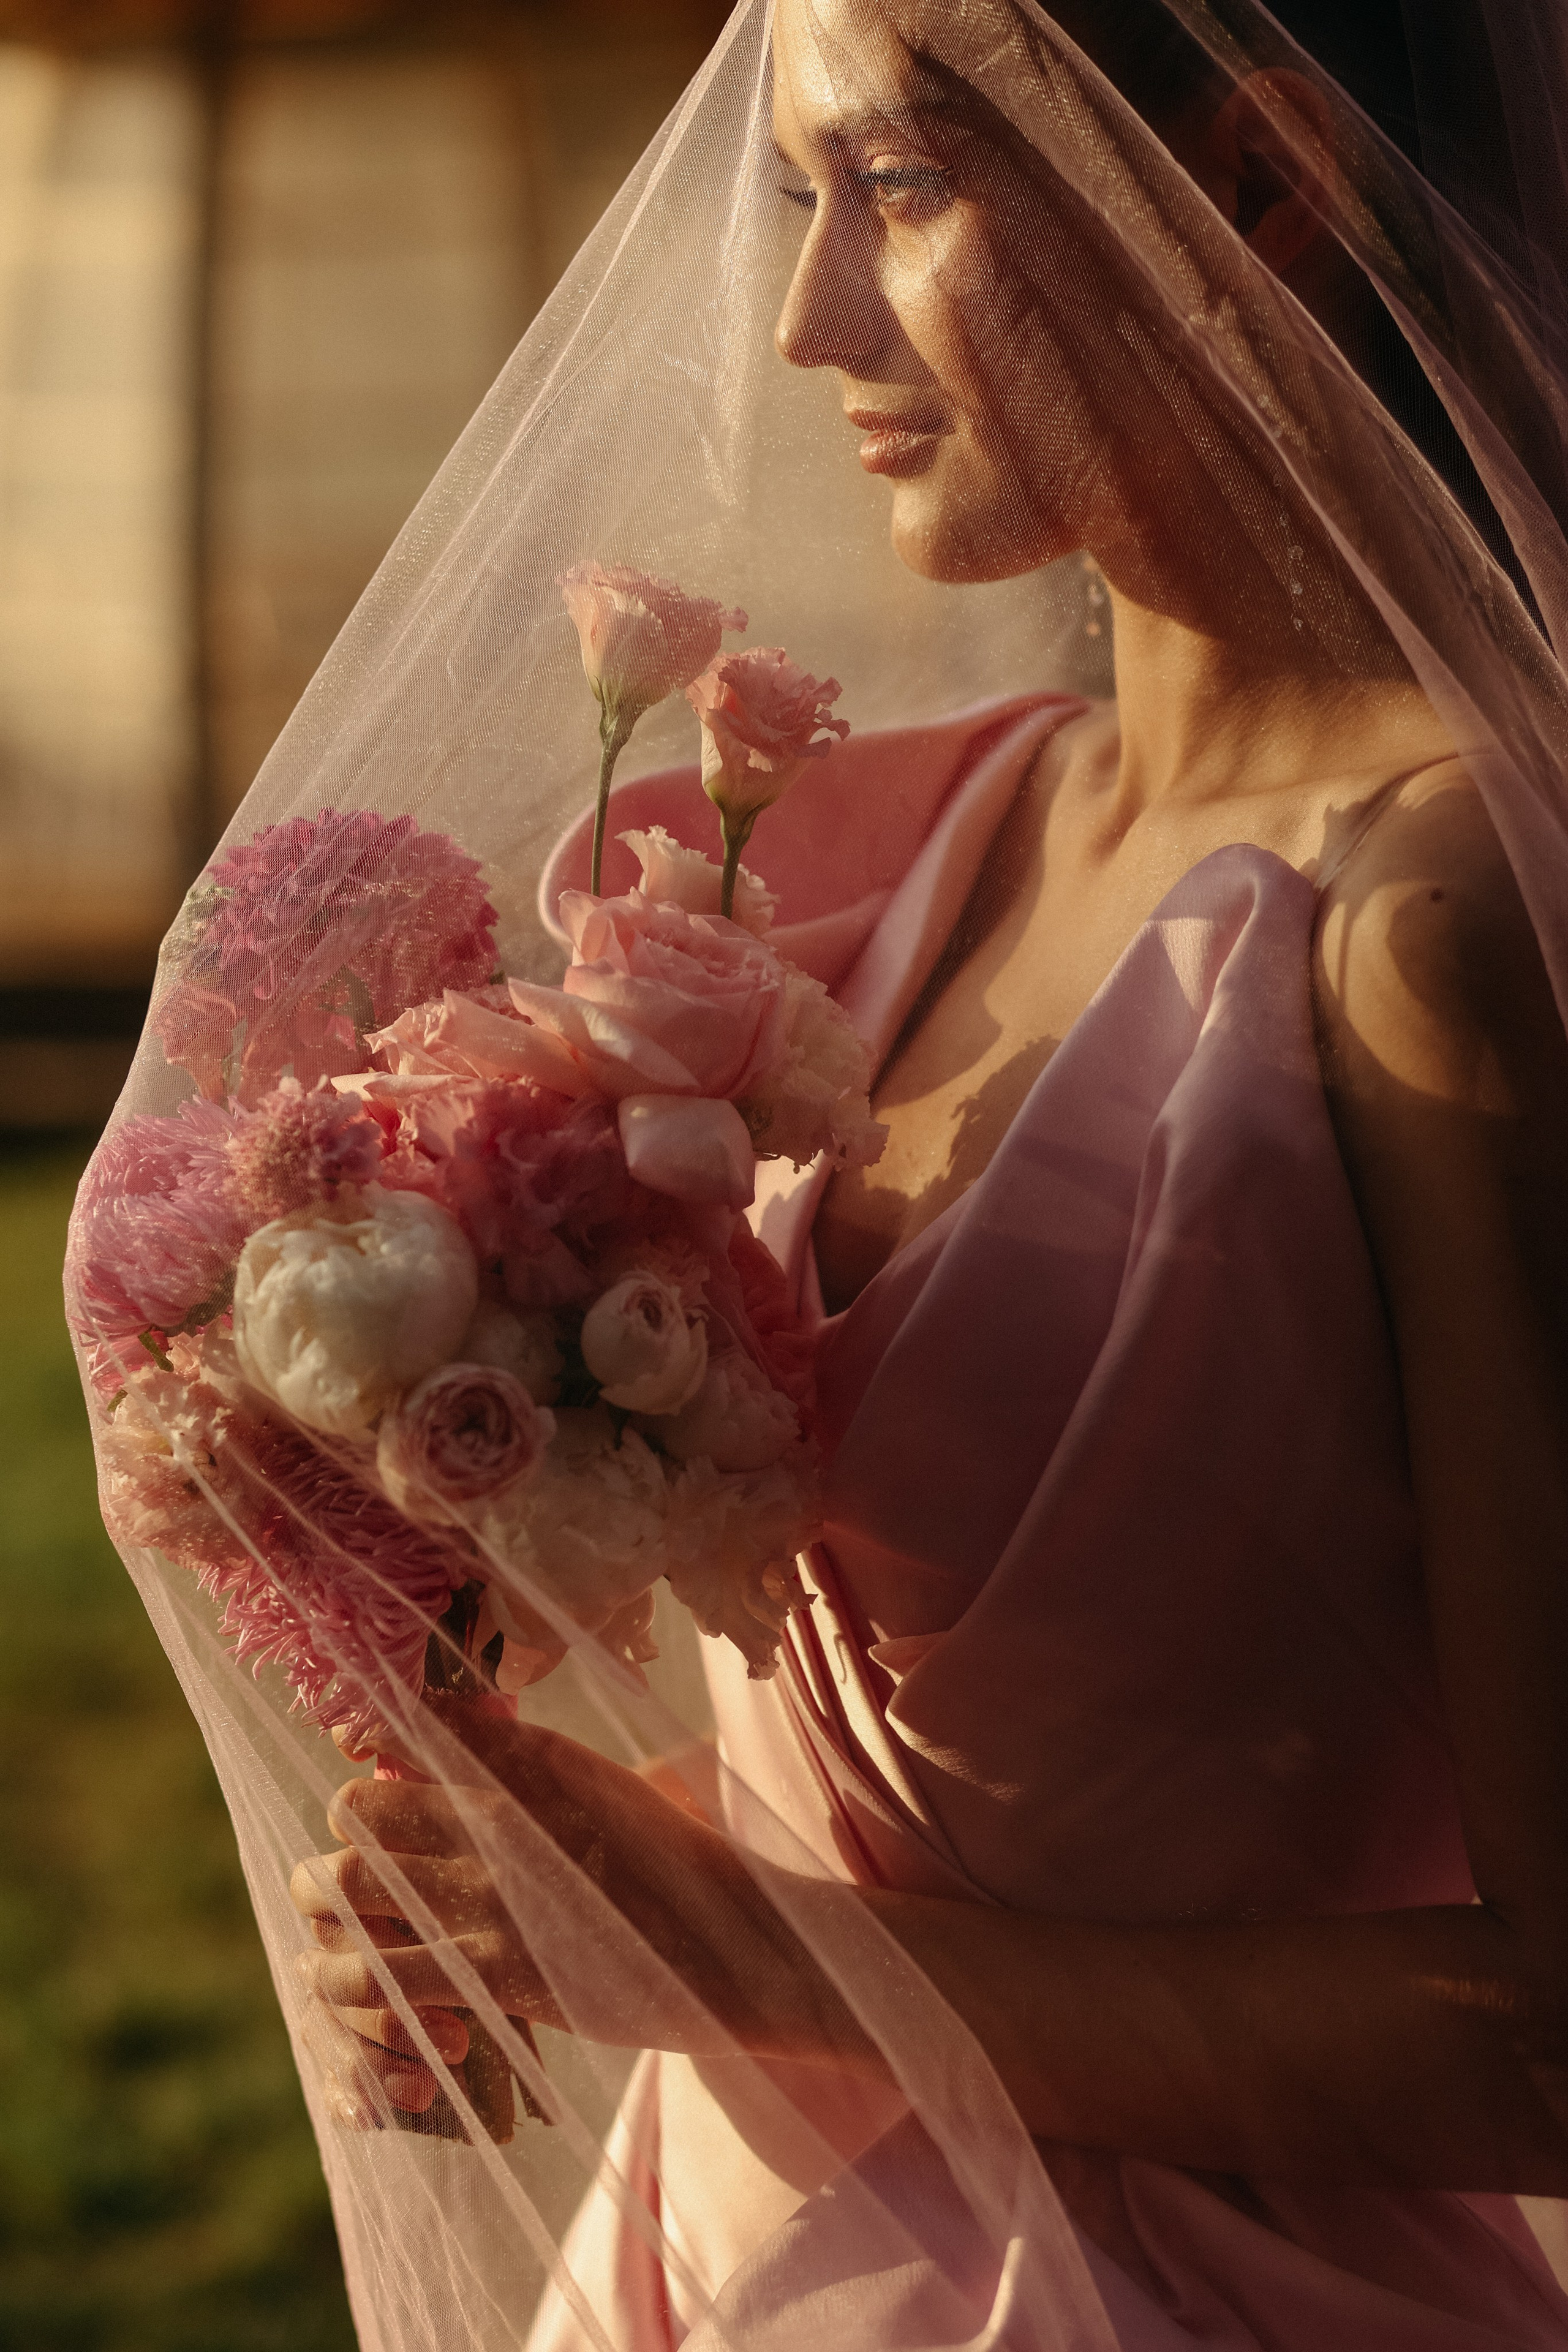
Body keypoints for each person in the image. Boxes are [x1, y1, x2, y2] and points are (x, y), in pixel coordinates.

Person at [82, 0, 1568, 2345]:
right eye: (806, 198)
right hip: (706, 2261)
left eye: (899, 187)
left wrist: (760, 1957)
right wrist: (576, 1880)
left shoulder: (1446, 930)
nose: (799, 320)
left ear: (1264, 185)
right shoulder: (940, 836)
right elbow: (1034, 1769)